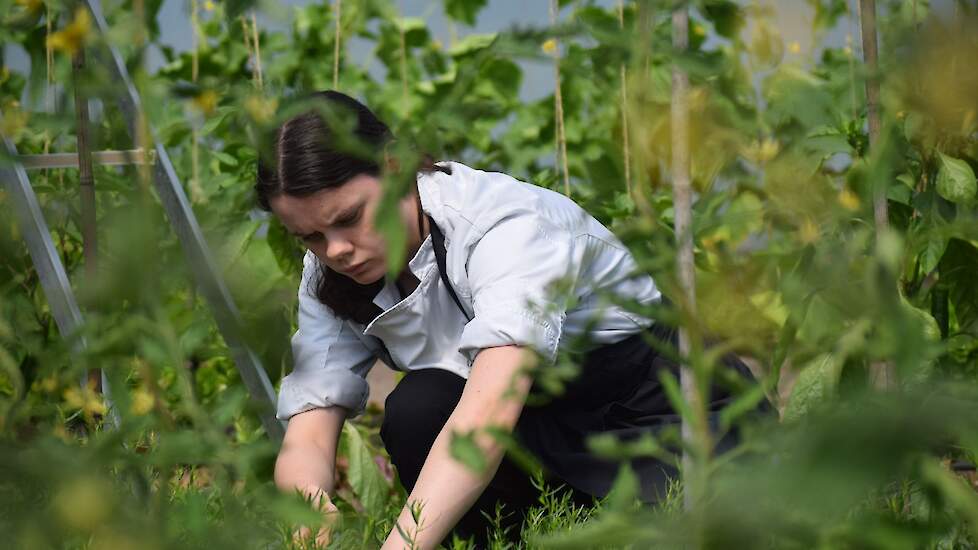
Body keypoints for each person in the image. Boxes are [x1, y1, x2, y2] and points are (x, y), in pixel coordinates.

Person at [256, 90, 756, 549]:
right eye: (311, 237)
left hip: (653, 413)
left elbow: (486, 418)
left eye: (349, 218)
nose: (337, 250)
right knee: (418, 409)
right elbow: (310, 424)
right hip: (537, 419)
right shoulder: (330, 268)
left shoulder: (506, 228)